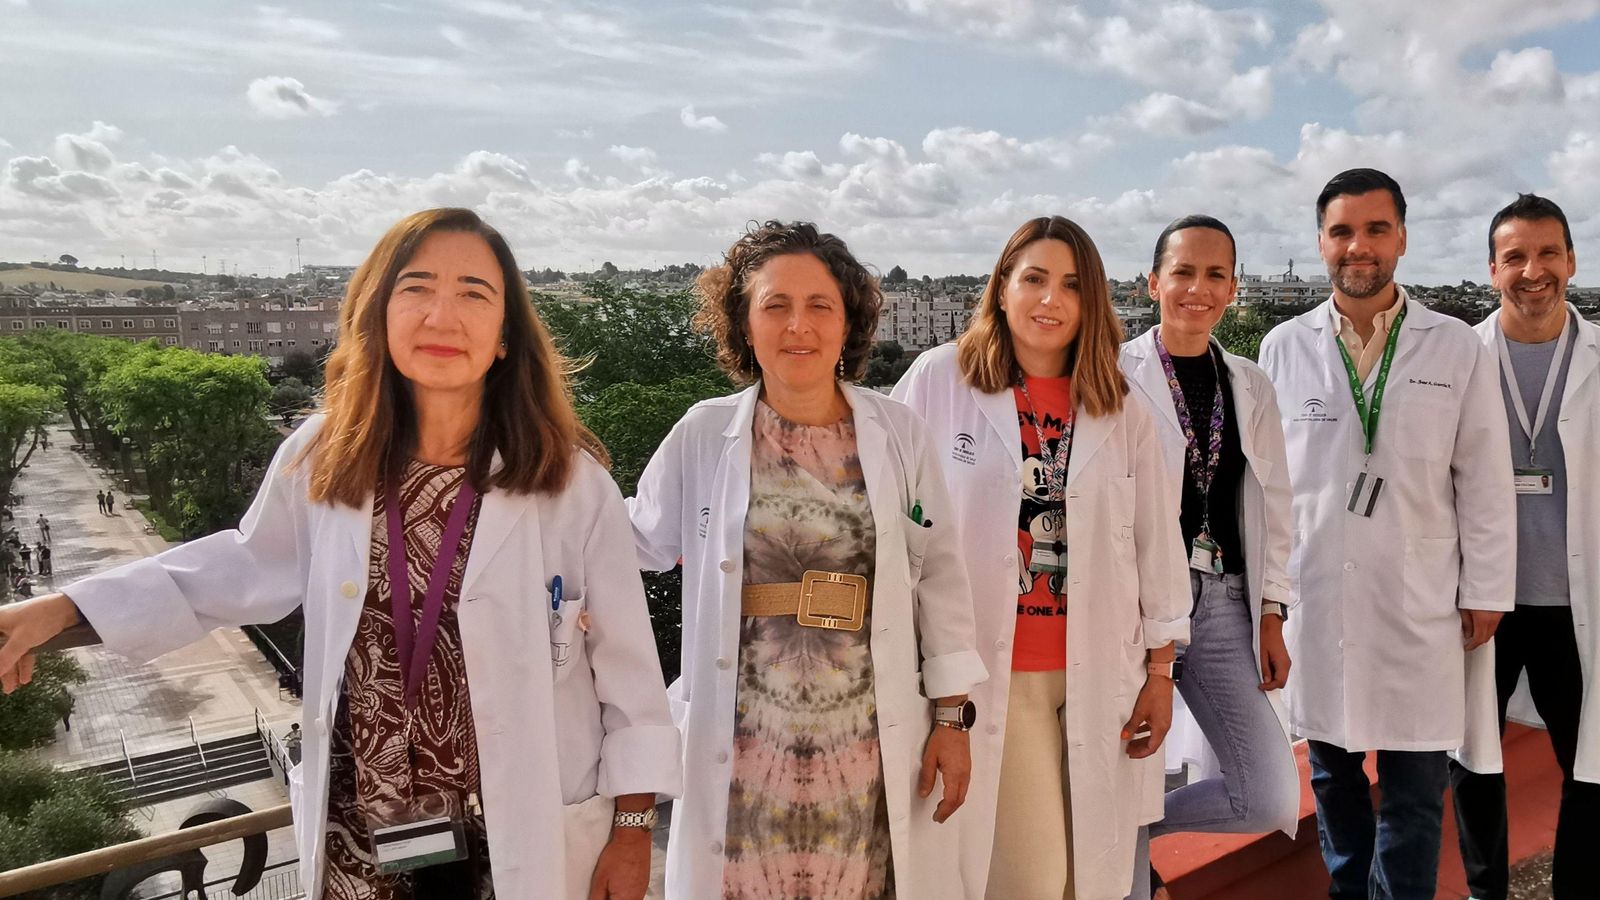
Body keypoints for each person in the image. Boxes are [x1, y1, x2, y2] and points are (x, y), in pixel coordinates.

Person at [0, 208, 680, 900]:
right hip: (362, 836)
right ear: (378, 314)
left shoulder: (569, 481)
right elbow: (241, 563)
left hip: (526, 834)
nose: (442, 317)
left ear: (506, 336)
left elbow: (628, 675)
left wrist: (631, 833)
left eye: (474, 293)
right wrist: (68, 605)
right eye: (416, 289)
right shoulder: (327, 453)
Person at [630, 220, 987, 899]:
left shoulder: (898, 432)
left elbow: (940, 575)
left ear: (848, 319)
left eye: (819, 305)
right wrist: (549, 498)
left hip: (863, 737)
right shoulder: (704, 433)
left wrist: (950, 718)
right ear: (744, 322)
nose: (799, 325)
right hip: (743, 742)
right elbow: (636, 539)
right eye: (775, 305)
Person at [893, 214, 1190, 900]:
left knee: (1093, 880)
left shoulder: (1124, 405)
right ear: (1000, 289)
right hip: (995, 674)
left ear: (1092, 303)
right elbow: (892, 523)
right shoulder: (940, 381)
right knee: (1037, 881)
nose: (1050, 300)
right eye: (1033, 280)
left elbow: (1156, 540)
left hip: (1101, 675)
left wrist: (1161, 669)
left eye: (1070, 285)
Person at [1257, 168, 1515, 899]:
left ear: (1401, 238)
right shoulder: (1282, 348)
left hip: (1423, 600)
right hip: (1320, 597)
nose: (1358, 246)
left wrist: (1487, 588)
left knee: (1414, 786)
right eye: (1342, 231)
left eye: (1375, 229)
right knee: (1335, 783)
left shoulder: (1456, 346)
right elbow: (1269, 493)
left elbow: (1485, 478)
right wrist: (1271, 605)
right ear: (1320, 243)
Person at [1119, 216, 1301, 896]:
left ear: (1233, 287)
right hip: (1135, 608)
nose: (1198, 288)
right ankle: (1130, 869)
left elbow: (1274, 502)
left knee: (1269, 797)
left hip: (1224, 600)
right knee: (1124, 764)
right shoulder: (1112, 374)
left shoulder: (1249, 384)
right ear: (1154, 282)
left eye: (1215, 274)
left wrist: (1273, 610)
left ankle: (1136, 831)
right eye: (1183, 272)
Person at [1453, 193, 1600, 900]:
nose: (1532, 270)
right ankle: (1488, 892)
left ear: (1571, 261)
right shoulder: (1460, 359)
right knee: (1473, 760)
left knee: (1592, 765)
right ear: (1492, 270)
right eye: (1515, 256)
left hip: (1579, 603)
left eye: (1547, 253)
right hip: (1485, 602)